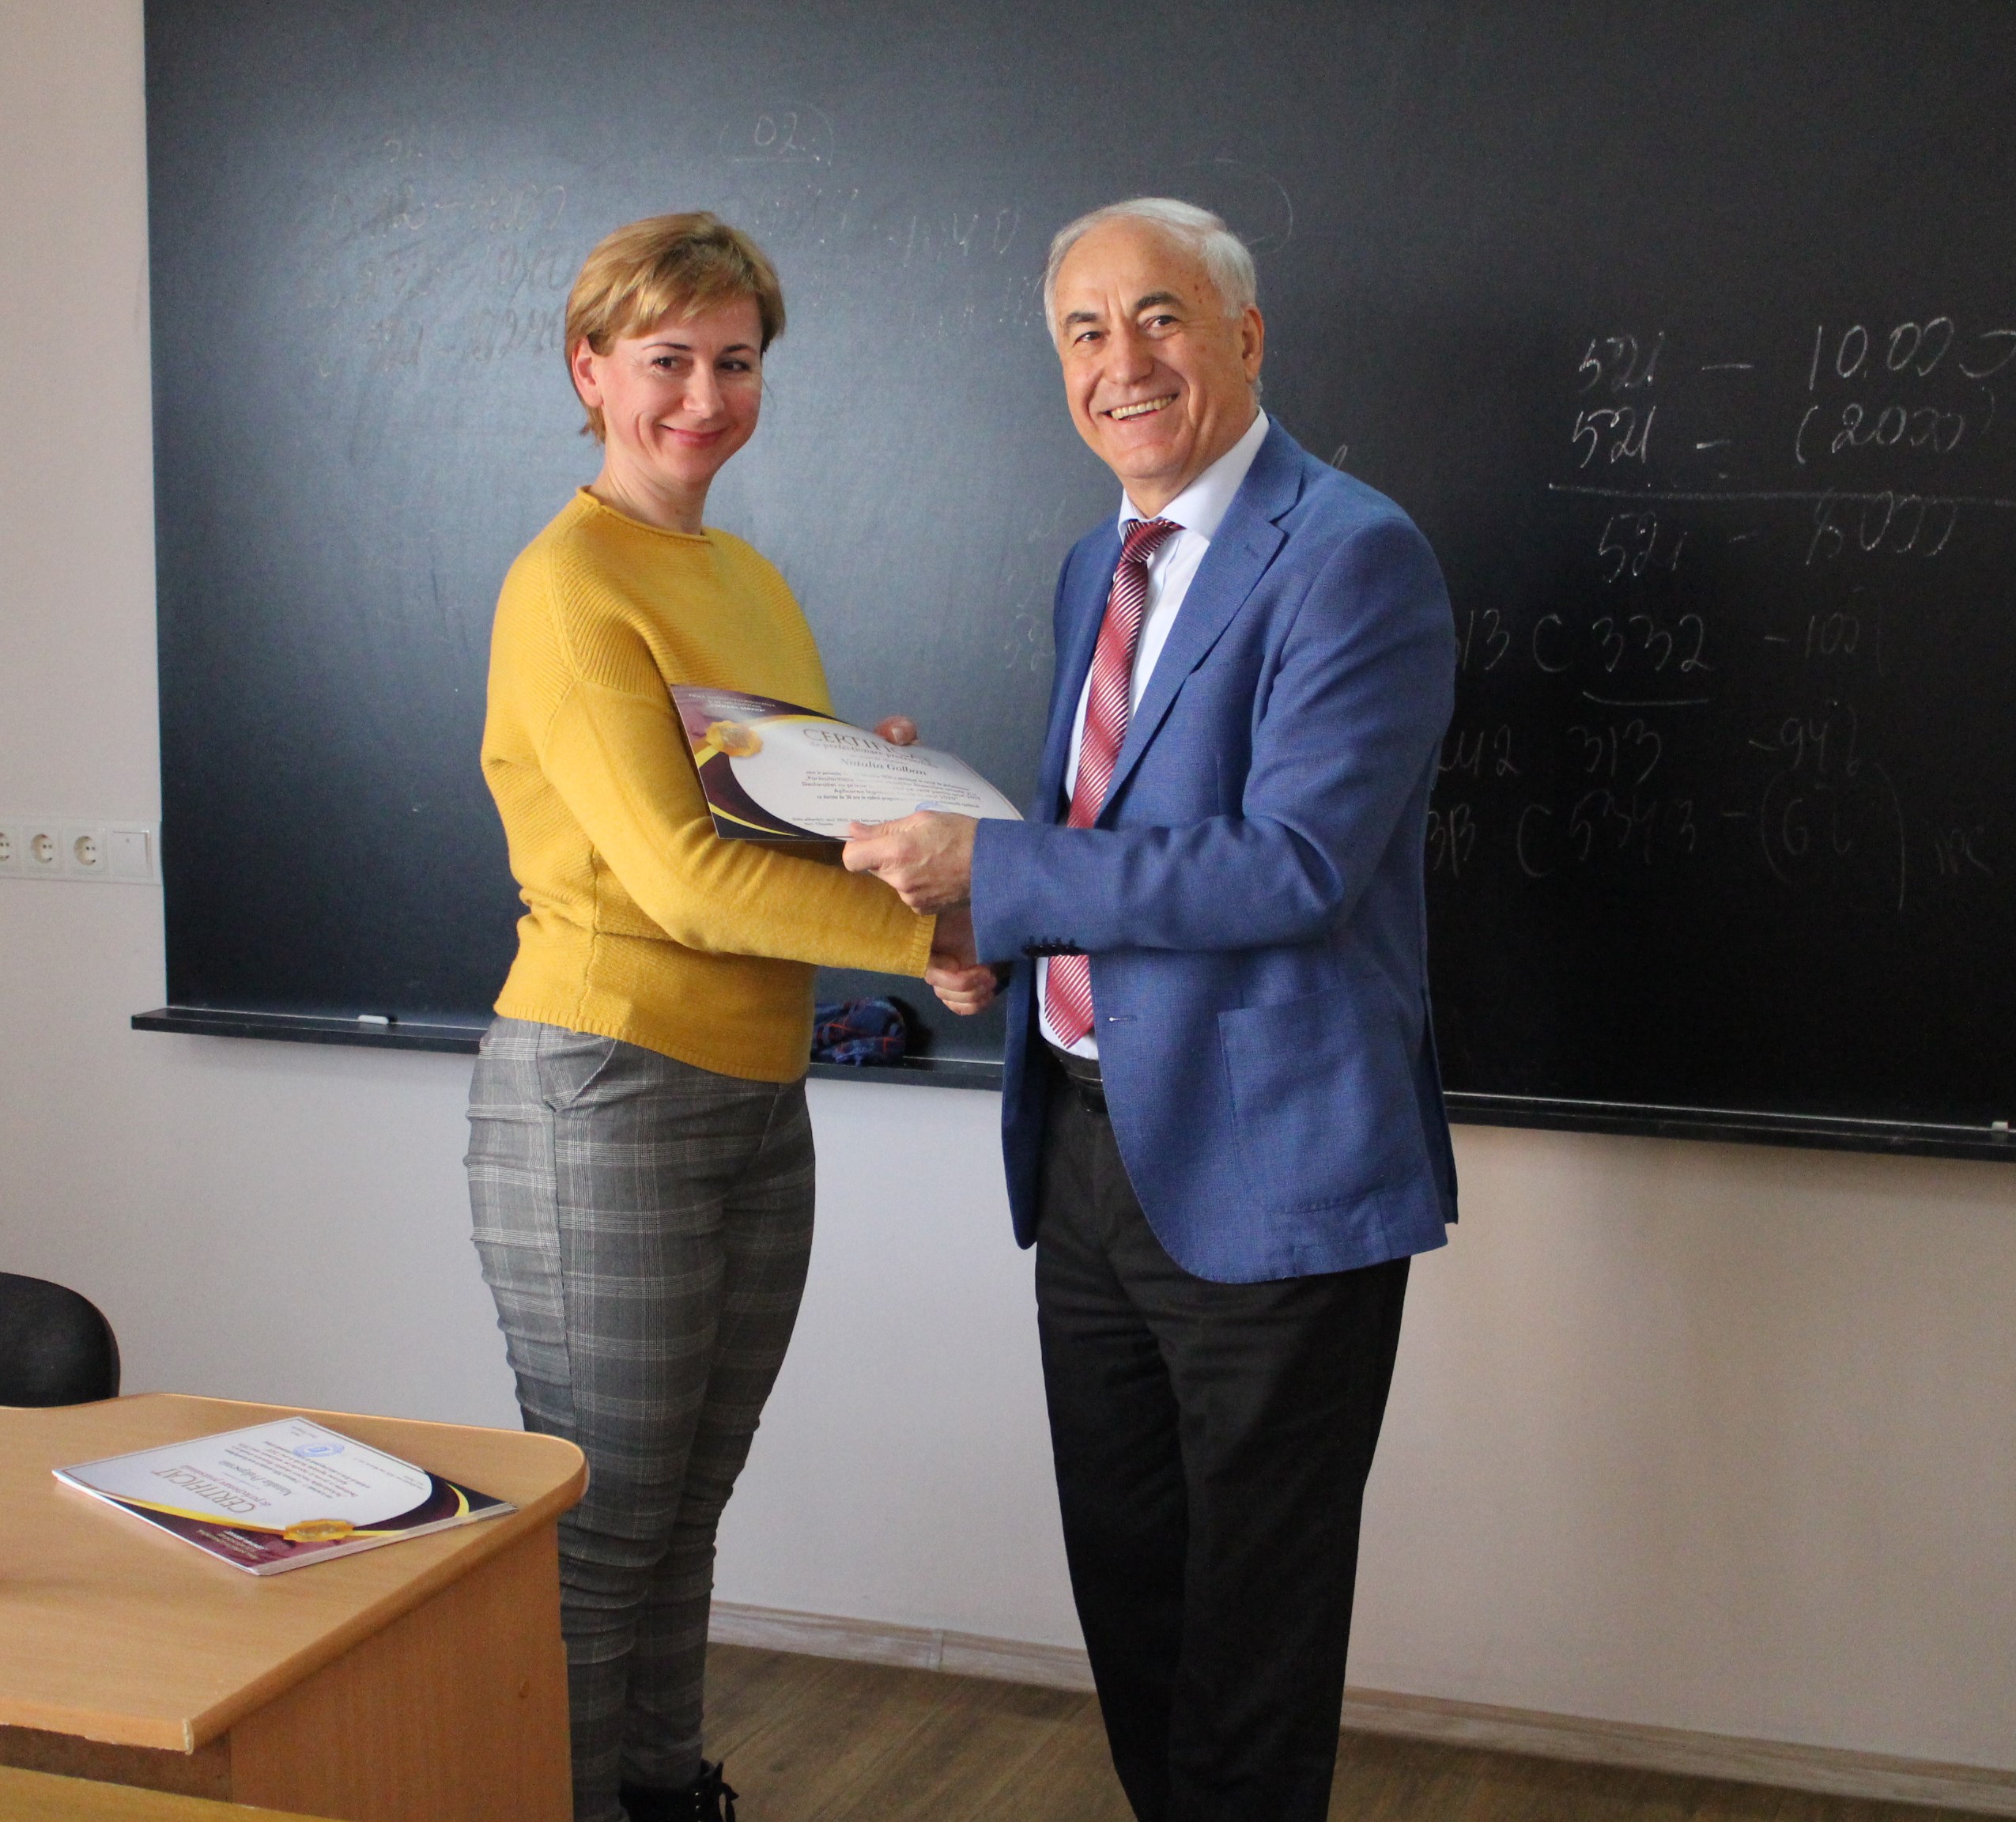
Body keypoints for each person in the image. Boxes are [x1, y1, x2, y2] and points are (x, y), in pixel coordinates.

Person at [843, 197, 1459, 1822]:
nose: (1122, 360)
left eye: (1160, 317)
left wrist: (1004, 872)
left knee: (1251, 1634)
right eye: (1084, 330)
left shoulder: (1353, 554)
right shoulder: (1092, 567)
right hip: (1083, 1157)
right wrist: (988, 928)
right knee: (1132, 1599)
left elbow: (1293, 865)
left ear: (1244, 336)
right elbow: (1105, 837)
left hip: (1272, 1171)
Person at [466, 212, 984, 1822]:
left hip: (757, 1089)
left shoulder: (744, 578)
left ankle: (661, 1790)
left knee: (688, 1502)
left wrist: (874, 798)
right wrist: (939, 930)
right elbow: (683, 883)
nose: (705, 396)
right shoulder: (568, 586)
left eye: (737, 361)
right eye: (667, 359)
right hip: (603, 1083)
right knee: (608, 1520)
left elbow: (758, 827)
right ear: (590, 371)